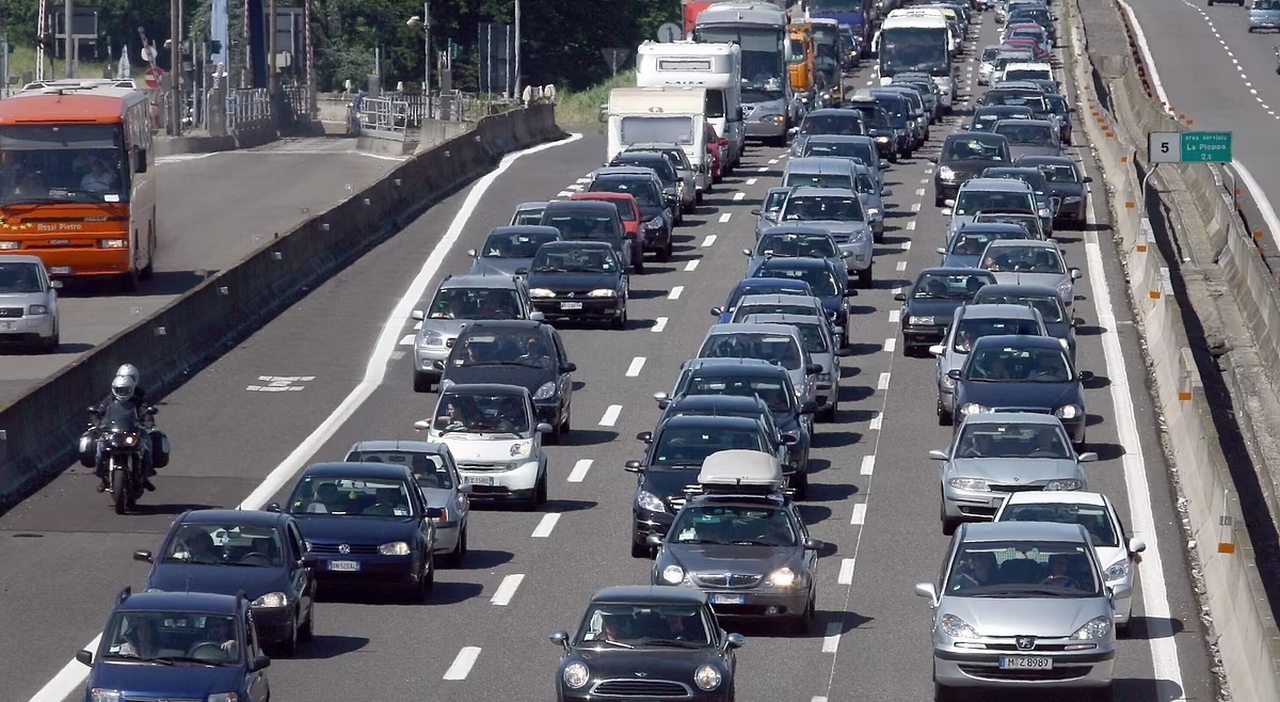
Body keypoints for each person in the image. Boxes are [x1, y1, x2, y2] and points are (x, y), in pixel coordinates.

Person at [93, 366, 156, 493]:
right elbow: (99, 410)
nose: (122, 392)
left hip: (133, 429)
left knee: (147, 447)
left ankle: (145, 477)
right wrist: (97, 421)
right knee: (100, 451)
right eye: (119, 390)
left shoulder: (140, 396)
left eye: (125, 390)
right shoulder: (110, 398)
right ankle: (103, 478)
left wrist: (148, 420)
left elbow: (145, 408)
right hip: (113, 430)